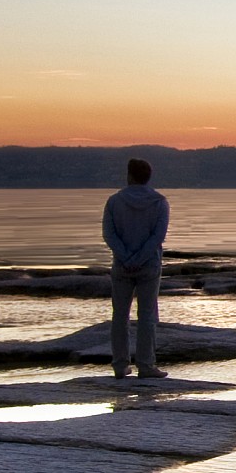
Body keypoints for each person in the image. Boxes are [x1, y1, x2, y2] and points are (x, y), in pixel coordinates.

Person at [102, 156, 170, 379]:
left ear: (130, 176)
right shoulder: (159, 202)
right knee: (147, 315)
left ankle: (120, 365)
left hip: (122, 265)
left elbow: (109, 234)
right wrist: (140, 258)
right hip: (149, 264)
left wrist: (126, 257)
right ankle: (146, 365)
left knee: (120, 316)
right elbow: (157, 237)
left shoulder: (114, 201)